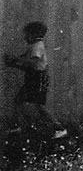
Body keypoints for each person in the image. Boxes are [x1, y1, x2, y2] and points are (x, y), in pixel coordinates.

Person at [3, 21, 63, 156]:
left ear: (34, 34)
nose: (25, 37)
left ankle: (58, 128)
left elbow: (33, 63)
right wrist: (14, 63)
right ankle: (16, 127)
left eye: (27, 34)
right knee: (19, 101)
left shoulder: (37, 47)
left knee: (39, 106)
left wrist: (15, 60)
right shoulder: (34, 47)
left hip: (38, 79)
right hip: (33, 78)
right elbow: (28, 64)